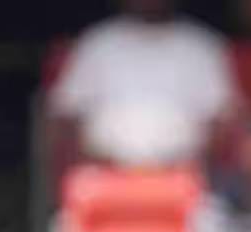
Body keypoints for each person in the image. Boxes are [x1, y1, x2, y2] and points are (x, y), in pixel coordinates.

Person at [49, 0, 238, 167]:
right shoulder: (97, 42)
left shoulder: (202, 46)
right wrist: (82, 164)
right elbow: (65, 113)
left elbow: (222, 119)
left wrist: (200, 166)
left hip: (181, 175)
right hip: (104, 173)